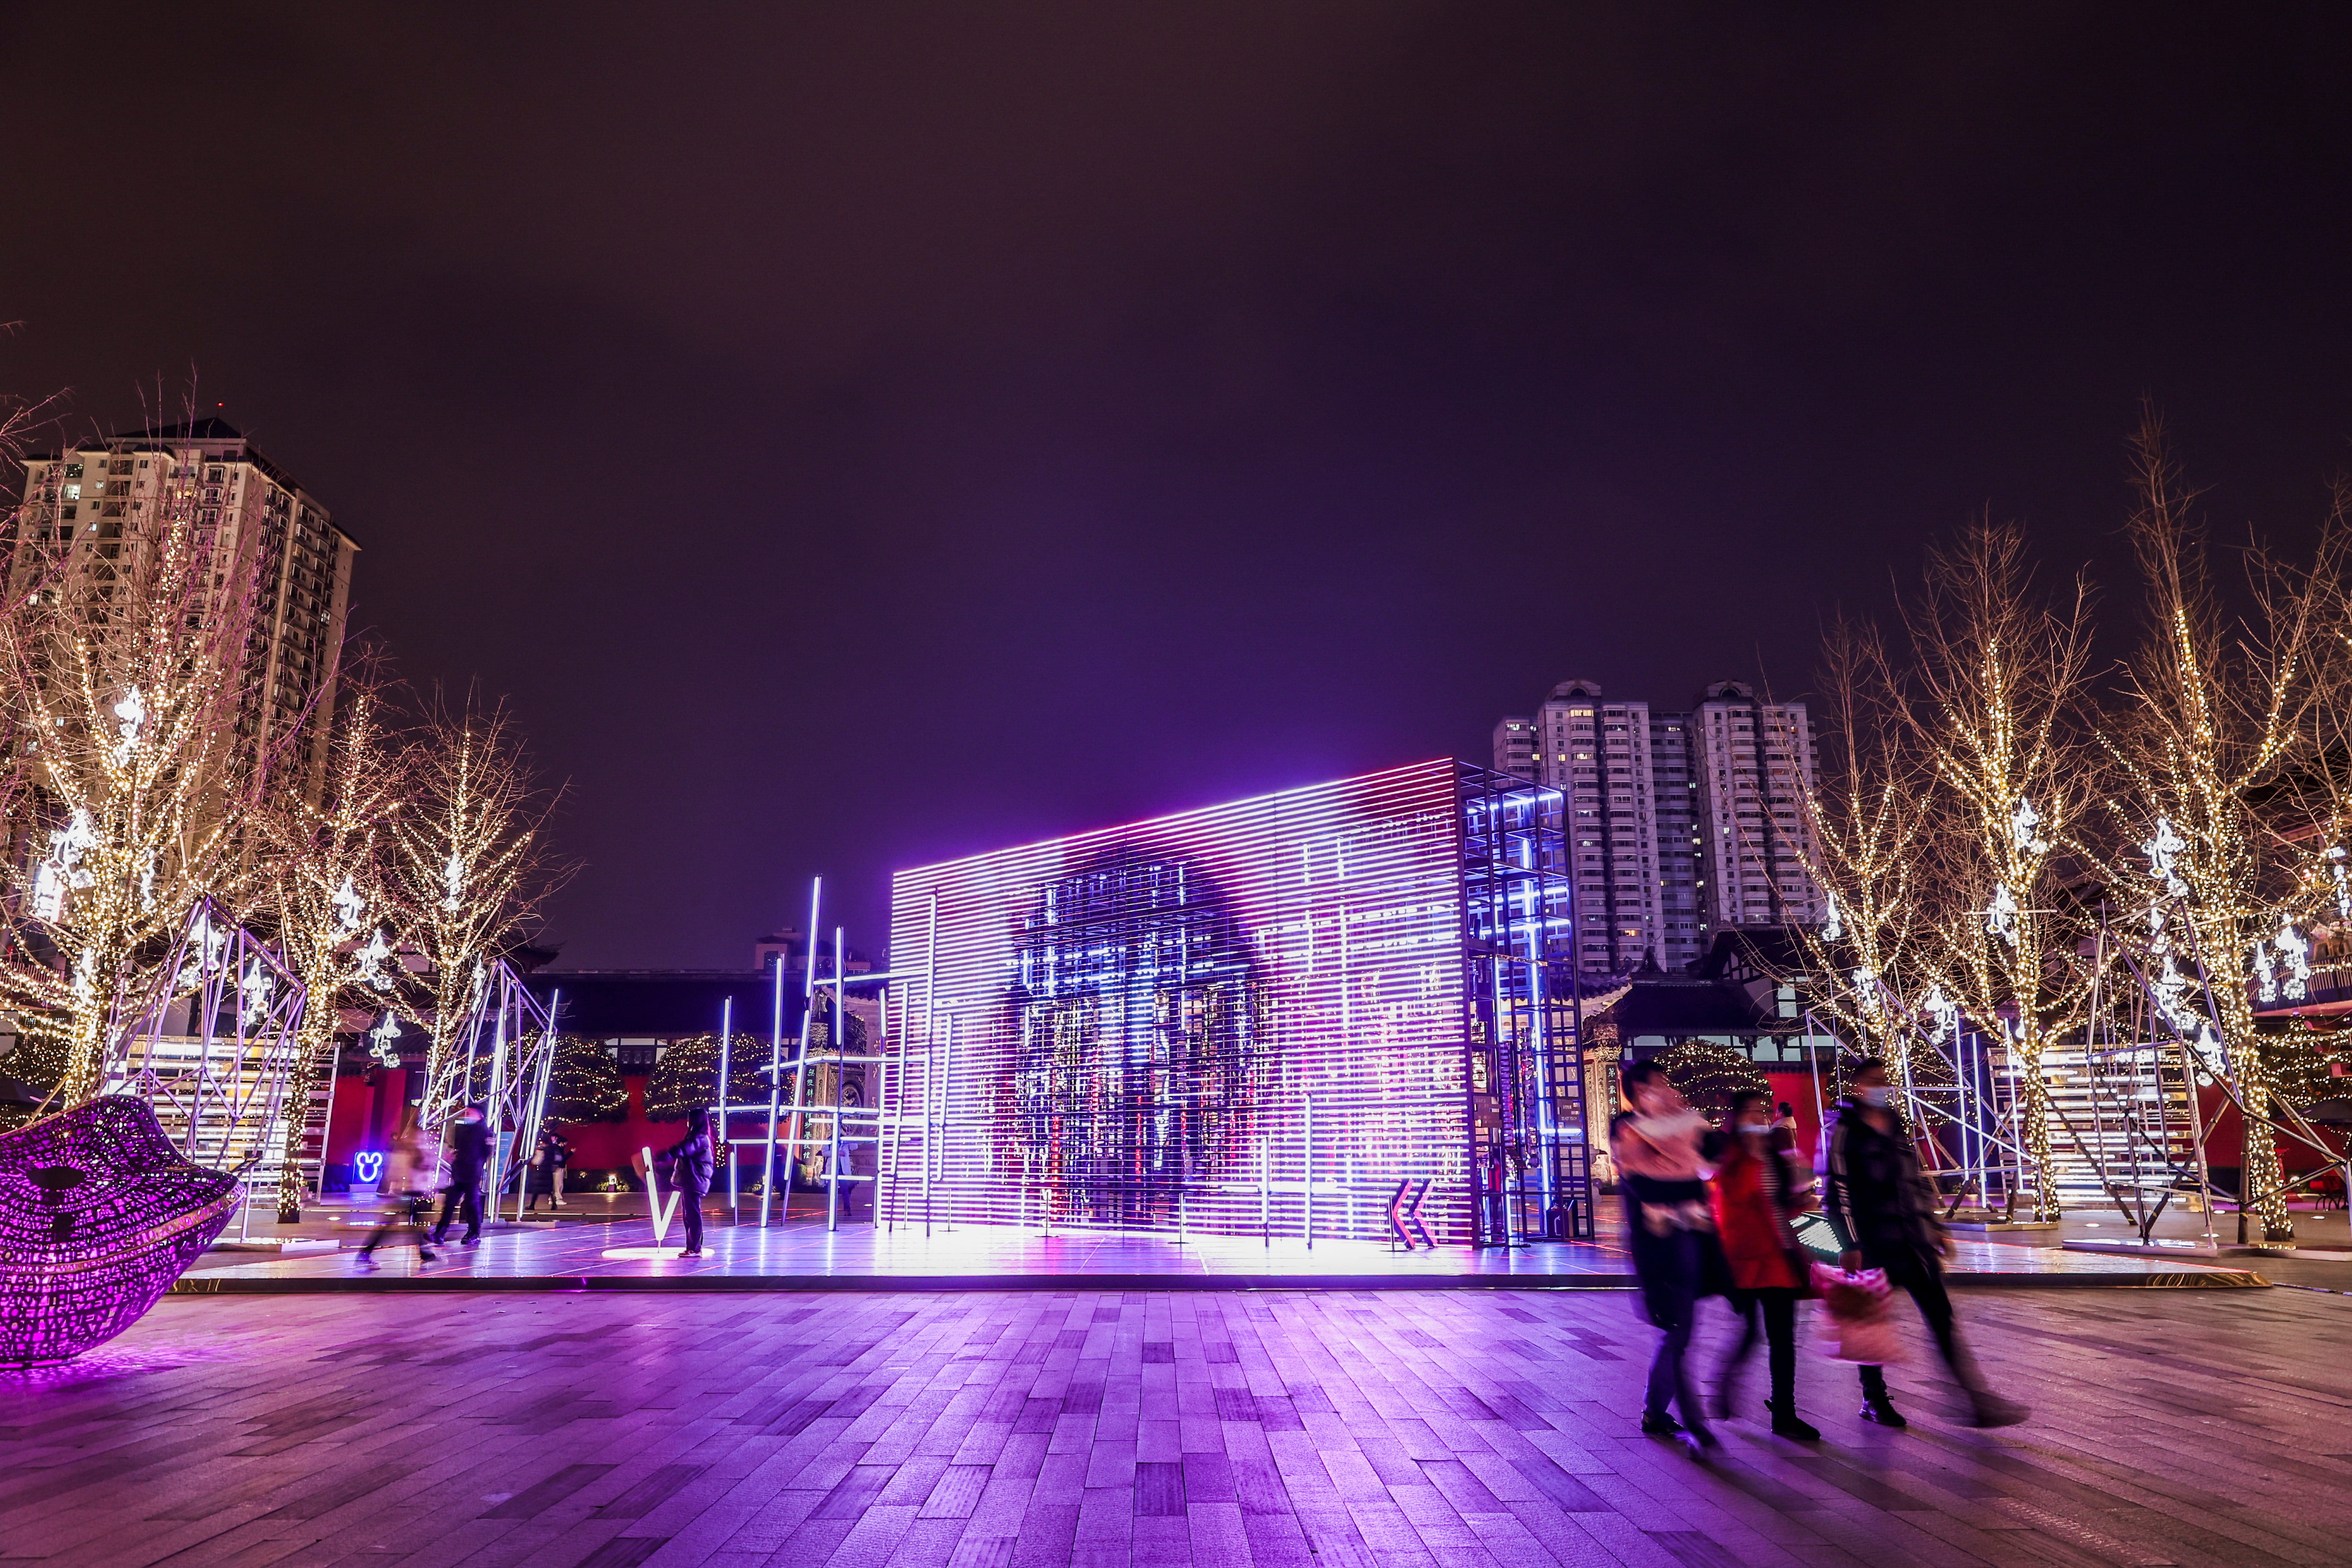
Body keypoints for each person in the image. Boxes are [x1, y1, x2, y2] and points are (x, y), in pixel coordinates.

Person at [1819, 1059, 2027, 1429]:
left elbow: (1913, 1181)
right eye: (1873, 1081)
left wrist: (1934, 1227)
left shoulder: (1895, 1124)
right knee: (1870, 1323)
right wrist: (1850, 1243)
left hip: (1912, 1240)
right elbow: (1839, 1193)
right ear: (1858, 1085)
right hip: (1873, 1242)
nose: (1881, 1087)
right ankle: (1874, 1398)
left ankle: (1974, 1399)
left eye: (1884, 1081)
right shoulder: (1845, 1130)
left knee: (1941, 1316)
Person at [1611, 1060, 1727, 1454]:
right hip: (1659, 1247)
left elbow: (1711, 1161)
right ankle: (1693, 1424)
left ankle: (1657, 1412)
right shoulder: (1628, 1132)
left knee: (1680, 1334)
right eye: (1658, 1083)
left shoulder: (1687, 1124)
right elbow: (1646, 1186)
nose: (1668, 1088)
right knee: (1678, 1333)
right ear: (1641, 1092)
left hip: (1690, 1239)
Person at [1709, 1089, 1819, 1439]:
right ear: (1737, 1117)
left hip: (1780, 1256)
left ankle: (1784, 1412)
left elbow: (1792, 1199)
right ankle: (1724, 1383)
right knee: (1749, 1332)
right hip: (1745, 1258)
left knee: (1783, 1339)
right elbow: (1736, 1196)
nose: (1760, 1117)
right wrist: (1752, 1156)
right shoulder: (1730, 1155)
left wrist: (1801, 1191)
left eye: (1763, 1111)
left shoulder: (1775, 1153)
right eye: (1752, 1112)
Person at [355, 1113, 438, 1267]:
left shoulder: (412, 1150)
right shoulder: (407, 1150)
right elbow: (399, 1171)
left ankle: (425, 1254)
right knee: (394, 1226)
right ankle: (365, 1253)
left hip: (410, 1193)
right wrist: (401, 1185)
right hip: (406, 1194)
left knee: (414, 1226)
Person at [654, 1105, 715, 1257]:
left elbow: (681, 1149)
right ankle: (694, 1247)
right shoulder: (699, 1138)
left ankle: (694, 1248)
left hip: (693, 1181)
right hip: (691, 1181)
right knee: (690, 1215)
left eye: (689, 1119)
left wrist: (660, 1156)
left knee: (692, 1216)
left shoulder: (698, 1139)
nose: (687, 1122)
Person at [432, 1104, 491, 1246]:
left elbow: (486, 1153)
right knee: (450, 1202)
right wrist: (455, 1156)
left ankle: (474, 1233)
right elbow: (462, 1149)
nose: (467, 1115)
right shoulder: (465, 1130)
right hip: (460, 1172)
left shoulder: (485, 1132)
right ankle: (440, 1233)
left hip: (472, 1173)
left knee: (471, 1203)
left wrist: (475, 1166)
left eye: (470, 1113)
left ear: (479, 1114)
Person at [545, 1127, 573, 1208]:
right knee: (559, 1184)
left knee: (555, 1184)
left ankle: (552, 1199)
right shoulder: (558, 1149)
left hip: (554, 1168)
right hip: (558, 1168)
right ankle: (558, 1199)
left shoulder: (553, 1148)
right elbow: (562, 1159)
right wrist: (571, 1153)